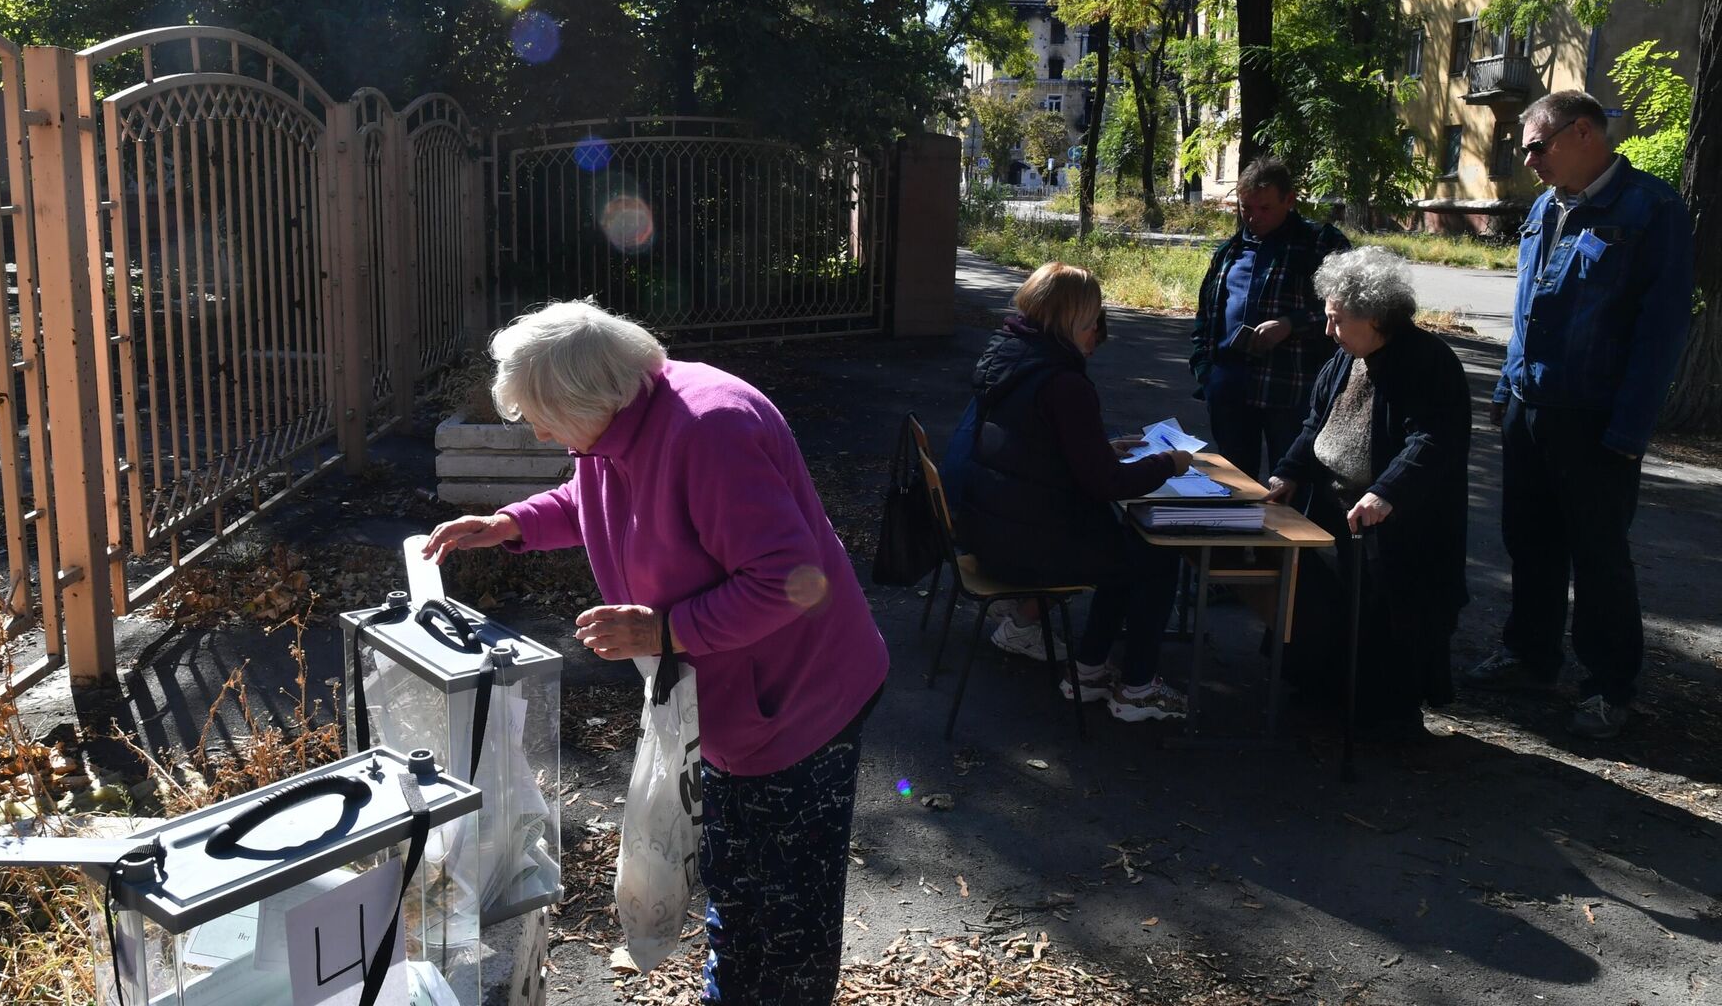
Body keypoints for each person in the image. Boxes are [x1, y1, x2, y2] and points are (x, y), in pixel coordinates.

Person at [422, 300, 888, 1003]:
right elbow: (590, 496)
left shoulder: (710, 430)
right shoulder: (623, 417)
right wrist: (509, 524)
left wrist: (666, 631)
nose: (542, 434)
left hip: (798, 701)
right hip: (734, 699)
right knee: (735, 875)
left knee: (788, 906)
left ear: (587, 395)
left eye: (541, 416)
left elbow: (787, 582)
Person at [1466, 90, 1695, 739]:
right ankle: (1530, 657)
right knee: (1529, 543)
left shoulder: (1650, 210)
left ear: (1585, 133)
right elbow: (1525, 311)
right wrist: (1508, 392)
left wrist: (1629, 429)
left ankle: (1608, 687)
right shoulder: (1544, 207)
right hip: (1531, 409)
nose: (1526, 158)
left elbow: (1661, 332)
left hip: (1596, 420)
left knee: (1598, 555)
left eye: (1536, 144)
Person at [959, 261, 1196, 722]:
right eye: (1092, 321)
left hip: (990, 527)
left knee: (1126, 548)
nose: (1098, 331)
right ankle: (1136, 689)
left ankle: (1088, 671)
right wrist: (1170, 461)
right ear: (1070, 321)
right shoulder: (1063, 383)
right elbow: (1107, 484)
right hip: (1028, 545)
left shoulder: (1008, 355)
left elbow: (1032, 445)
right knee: (1154, 555)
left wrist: (1098, 448)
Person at [1266, 248, 1472, 736]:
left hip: (1399, 524)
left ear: (1376, 316)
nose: (1328, 330)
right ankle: (1325, 694)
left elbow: (1433, 439)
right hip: (1334, 508)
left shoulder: (1429, 363)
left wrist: (1386, 492)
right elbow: (1316, 424)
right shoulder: (1343, 358)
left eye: (1337, 319)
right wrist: (1287, 474)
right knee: (1326, 608)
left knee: (1387, 621)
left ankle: (1385, 720)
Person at [1190, 156, 1352, 480]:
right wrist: (1205, 372)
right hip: (1230, 388)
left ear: (1289, 201)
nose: (1253, 218)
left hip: (1291, 388)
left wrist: (1292, 323)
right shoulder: (1228, 252)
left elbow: (1351, 308)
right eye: (1246, 208)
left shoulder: (1321, 243)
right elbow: (1206, 317)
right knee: (1235, 484)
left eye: (1264, 208)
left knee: (1293, 482)